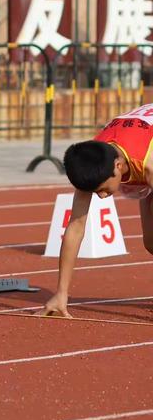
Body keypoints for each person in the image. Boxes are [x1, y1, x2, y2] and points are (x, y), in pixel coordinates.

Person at [39, 103, 153, 317]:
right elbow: (75, 227)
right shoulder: (90, 161)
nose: (101, 196)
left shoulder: (148, 164)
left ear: (118, 167)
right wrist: (61, 293)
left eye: (101, 189)